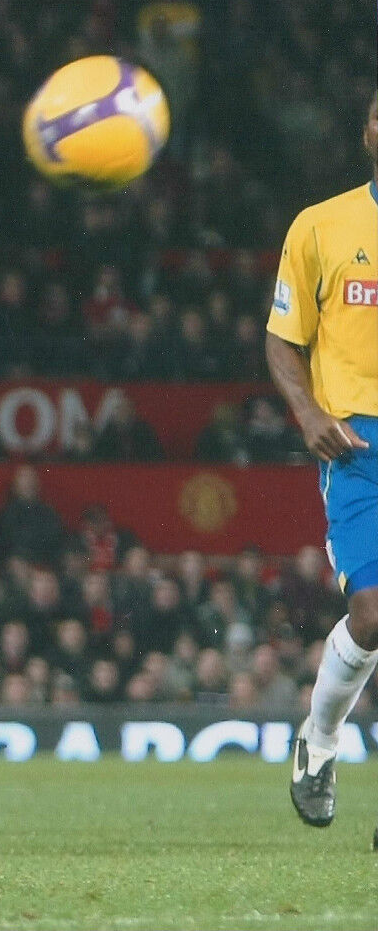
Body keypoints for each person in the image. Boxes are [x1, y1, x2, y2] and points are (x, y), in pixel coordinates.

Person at [268, 91, 378, 836]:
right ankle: (321, 739)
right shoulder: (322, 223)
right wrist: (308, 412)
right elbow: (281, 337)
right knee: (373, 615)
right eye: (376, 113)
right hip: (359, 443)